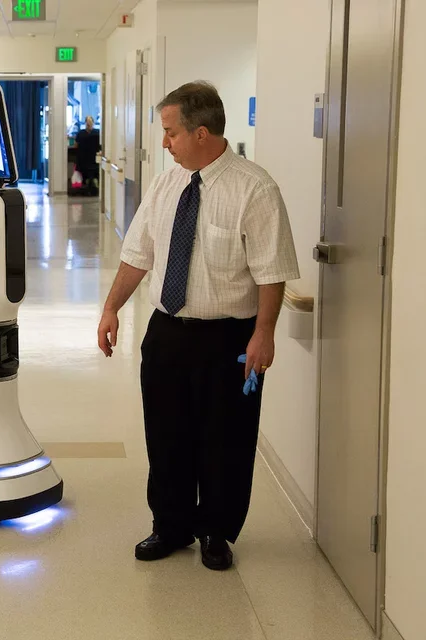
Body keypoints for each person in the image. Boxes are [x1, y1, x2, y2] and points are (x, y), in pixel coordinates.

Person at [97, 81, 299, 571]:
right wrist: (111, 309)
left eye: (171, 133)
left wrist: (264, 334)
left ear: (201, 133)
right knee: (165, 434)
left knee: (225, 439)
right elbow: (137, 255)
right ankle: (170, 526)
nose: (164, 143)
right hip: (166, 333)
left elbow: (271, 272)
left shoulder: (255, 188)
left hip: (228, 337)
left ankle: (216, 532)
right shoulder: (167, 185)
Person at [74, 116, 101, 195]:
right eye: (87, 122)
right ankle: (91, 184)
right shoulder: (96, 133)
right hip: (88, 160)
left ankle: (90, 184)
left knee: (91, 172)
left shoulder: (95, 133)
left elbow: (76, 145)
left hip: (89, 160)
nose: (88, 123)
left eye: (89, 122)